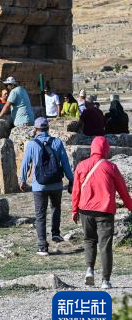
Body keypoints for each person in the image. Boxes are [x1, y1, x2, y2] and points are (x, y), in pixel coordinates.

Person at [71, 137, 132, 289]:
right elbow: (123, 191)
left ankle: (89, 270)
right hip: (104, 211)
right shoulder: (110, 167)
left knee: (89, 240)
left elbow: (76, 190)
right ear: (105, 149)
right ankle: (105, 280)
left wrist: (74, 210)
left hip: (85, 210)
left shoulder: (81, 165)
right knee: (105, 245)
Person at [18, 117, 74, 256]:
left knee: (40, 215)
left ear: (36, 129)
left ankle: (42, 246)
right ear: (48, 128)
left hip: (39, 185)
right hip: (56, 184)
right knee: (56, 207)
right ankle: (55, 233)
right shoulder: (57, 142)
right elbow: (65, 164)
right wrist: (71, 180)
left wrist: (22, 180)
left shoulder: (31, 144)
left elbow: (25, 164)